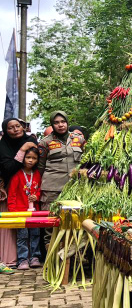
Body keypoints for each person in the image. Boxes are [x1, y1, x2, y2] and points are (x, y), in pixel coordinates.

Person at [0, 118, 37, 270]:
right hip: (9, 191)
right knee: (11, 225)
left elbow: (37, 165)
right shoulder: (3, 146)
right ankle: (13, 259)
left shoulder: (31, 140)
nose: (15, 129)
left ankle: (33, 256)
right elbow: (8, 168)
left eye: (18, 126)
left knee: (33, 229)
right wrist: (22, 150)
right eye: (11, 127)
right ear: (5, 131)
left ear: (23, 127)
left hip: (29, 191)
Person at [38, 111, 85, 212]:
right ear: (52, 125)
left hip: (75, 185)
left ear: (67, 123)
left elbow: (86, 160)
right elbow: (40, 166)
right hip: (52, 188)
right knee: (50, 216)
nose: (60, 125)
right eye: (56, 122)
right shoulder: (45, 142)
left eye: (63, 121)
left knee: (75, 216)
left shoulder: (79, 139)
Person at [9, 147, 41, 270]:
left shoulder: (37, 174)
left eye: (34, 158)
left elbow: (40, 189)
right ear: (23, 158)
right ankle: (22, 260)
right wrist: (13, 213)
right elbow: (12, 195)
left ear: (37, 160)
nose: (31, 160)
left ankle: (35, 257)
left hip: (34, 212)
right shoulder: (17, 175)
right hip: (20, 212)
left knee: (35, 234)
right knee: (22, 236)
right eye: (28, 157)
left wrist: (36, 197)